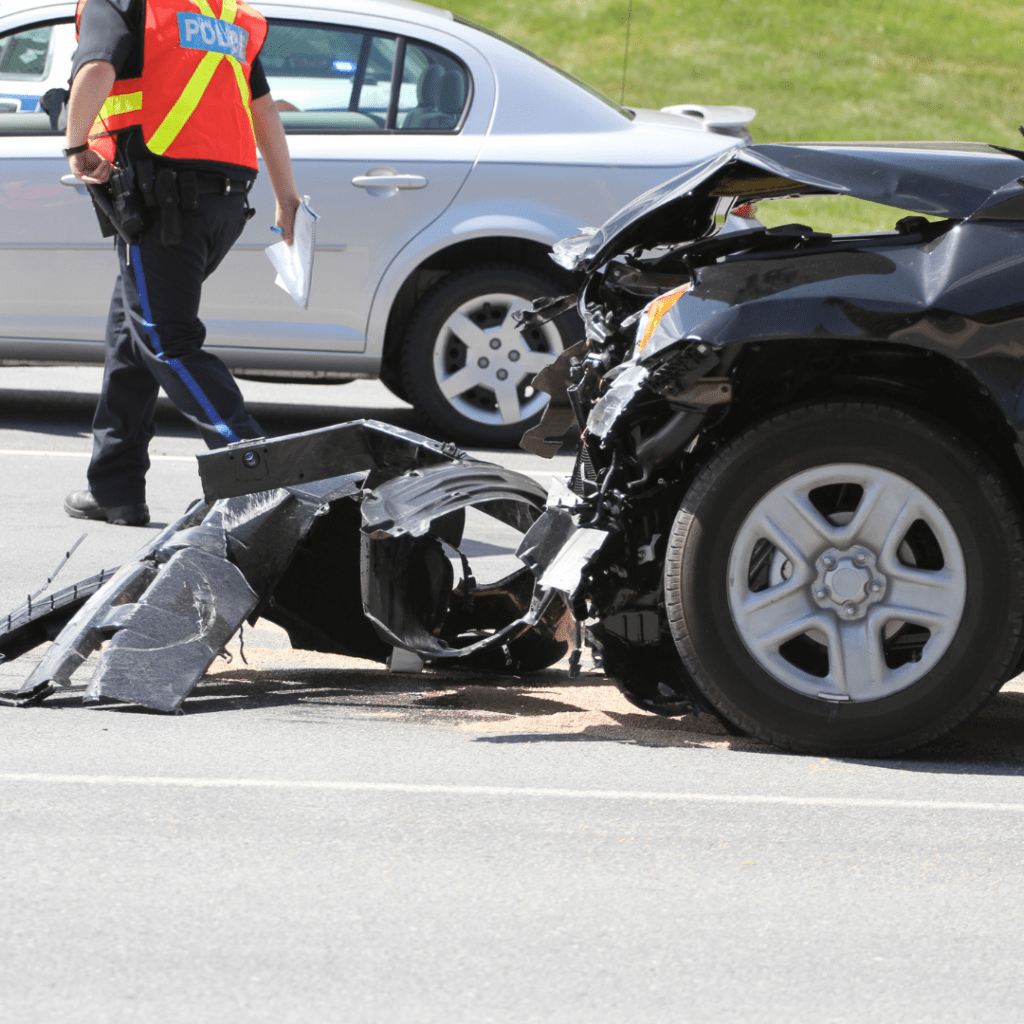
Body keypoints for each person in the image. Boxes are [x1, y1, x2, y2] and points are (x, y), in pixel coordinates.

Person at [63, 0, 300, 526]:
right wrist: (287, 196)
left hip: (162, 201)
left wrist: (76, 146)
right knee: (130, 338)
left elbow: (97, 66)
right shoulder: (227, 14)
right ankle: (115, 487)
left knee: (167, 341)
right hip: (222, 202)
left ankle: (259, 470)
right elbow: (262, 108)